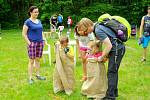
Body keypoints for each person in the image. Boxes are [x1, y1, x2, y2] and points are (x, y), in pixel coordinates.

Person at [75, 18, 126, 100]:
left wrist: (101, 57)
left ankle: (110, 97)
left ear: (88, 25)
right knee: (112, 71)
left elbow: (109, 45)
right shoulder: (97, 27)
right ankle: (113, 92)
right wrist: (90, 49)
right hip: (115, 48)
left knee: (112, 72)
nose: (86, 33)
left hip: (117, 49)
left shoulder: (98, 30)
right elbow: (100, 42)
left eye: (85, 30)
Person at [22, 6, 46, 84]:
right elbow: (24, 34)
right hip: (32, 43)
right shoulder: (27, 22)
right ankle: (30, 78)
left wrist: (43, 40)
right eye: (35, 12)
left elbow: (41, 31)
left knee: (38, 59)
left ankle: (38, 75)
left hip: (40, 43)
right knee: (31, 61)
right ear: (30, 12)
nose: (37, 13)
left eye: (37, 12)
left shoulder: (39, 21)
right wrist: (29, 43)